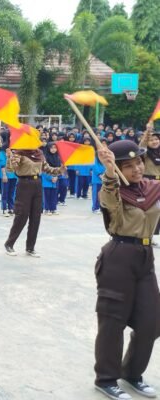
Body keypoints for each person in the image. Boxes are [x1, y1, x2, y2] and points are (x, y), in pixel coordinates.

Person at [93, 140, 160, 400]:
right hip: (118, 258)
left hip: (145, 258)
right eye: (129, 166)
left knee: (151, 321)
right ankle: (106, 379)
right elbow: (109, 199)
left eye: (139, 162)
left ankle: (132, 373)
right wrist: (110, 171)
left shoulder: (151, 188)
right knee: (112, 322)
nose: (137, 168)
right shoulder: (113, 191)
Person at [4, 140, 65, 257]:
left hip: (37, 184)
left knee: (36, 217)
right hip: (24, 184)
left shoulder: (39, 154)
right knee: (21, 216)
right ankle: (9, 244)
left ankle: (30, 247)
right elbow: (11, 169)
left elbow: (48, 169)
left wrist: (60, 169)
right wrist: (9, 157)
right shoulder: (19, 153)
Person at [42, 143, 61, 216]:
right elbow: (43, 170)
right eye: (52, 148)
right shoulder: (45, 158)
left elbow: (60, 169)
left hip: (55, 180)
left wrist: (57, 177)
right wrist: (51, 178)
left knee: (54, 195)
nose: (53, 149)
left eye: (55, 148)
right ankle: (46, 209)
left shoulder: (58, 158)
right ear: (48, 149)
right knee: (47, 195)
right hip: (47, 179)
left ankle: (53, 209)